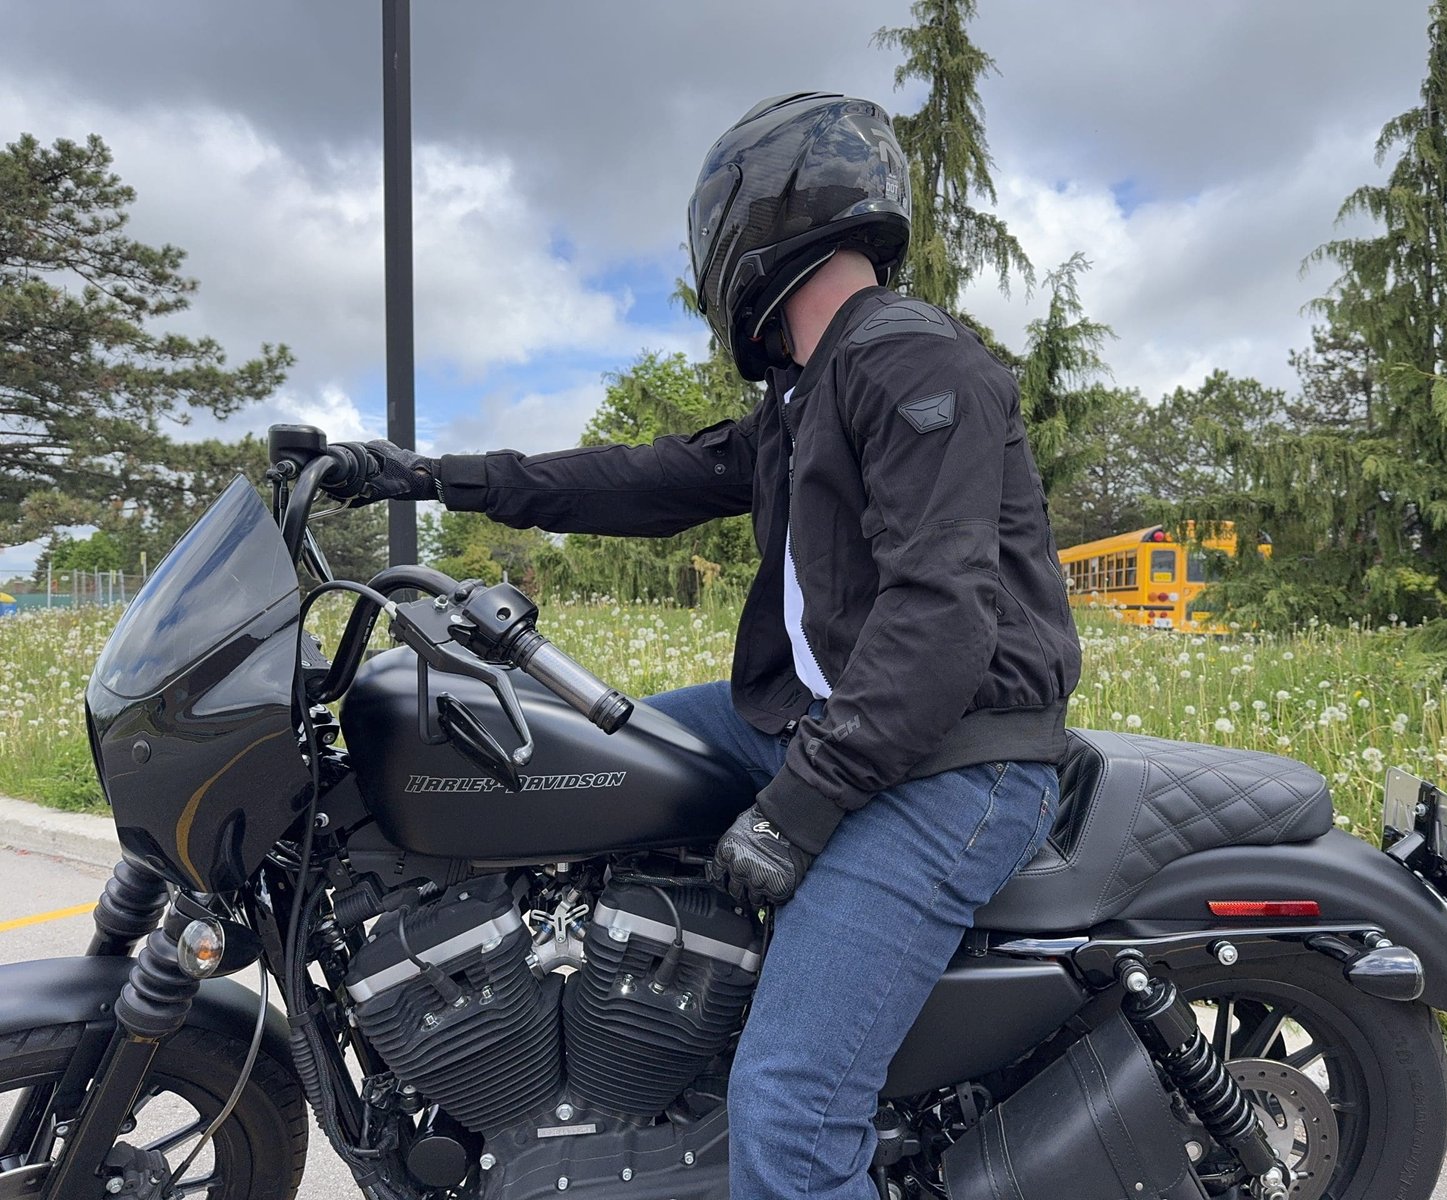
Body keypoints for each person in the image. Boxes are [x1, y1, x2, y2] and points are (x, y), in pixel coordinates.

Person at [333, 91, 1080, 1200]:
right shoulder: (805, 397)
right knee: (540, 757)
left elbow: (941, 618)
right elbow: (644, 477)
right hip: (813, 724)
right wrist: (430, 475)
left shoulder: (915, 366)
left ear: (755, 224)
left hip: (949, 758)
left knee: (789, 1106)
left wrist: (799, 809)